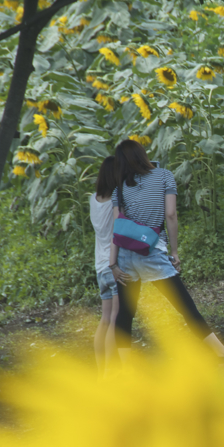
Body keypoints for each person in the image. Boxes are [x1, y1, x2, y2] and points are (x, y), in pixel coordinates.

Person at [108, 139, 224, 360]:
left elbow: (117, 230)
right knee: (185, 305)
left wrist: (113, 264)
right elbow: (170, 215)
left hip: (126, 257)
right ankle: (222, 353)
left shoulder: (118, 189)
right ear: (143, 154)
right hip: (151, 252)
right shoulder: (164, 176)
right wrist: (175, 252)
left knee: (126, 313)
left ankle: (126, 369)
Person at [90, 156, 120, 376]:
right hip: (115, 263)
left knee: (105, 319)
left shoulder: (94, 199)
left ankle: (101, 372)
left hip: (100, 267)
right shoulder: (116, 201)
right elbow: (118, 233)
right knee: (117, 318)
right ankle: (111, 371)